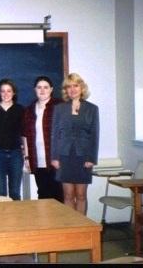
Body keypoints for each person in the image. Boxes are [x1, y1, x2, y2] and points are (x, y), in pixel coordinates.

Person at [51, 73, 99, 214]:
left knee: (81, 196)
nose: (72, 89)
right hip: (64, 156)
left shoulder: (92, 109)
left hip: (83, 157)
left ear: (82, 87)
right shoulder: (59, 108)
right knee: (68, 195)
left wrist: (91, 158)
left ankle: (82, 229)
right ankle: (71, 227)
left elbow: (94, 135)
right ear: (65, 90)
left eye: (75, 85)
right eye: (69, 86)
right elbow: (54, 134)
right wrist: (54, 157)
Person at [22, 76, 64, 202]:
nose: (42, 90)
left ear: (51, 89)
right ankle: (46, 222)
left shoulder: (60, 106)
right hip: (38, 160)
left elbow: (65, 133)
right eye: (39, 87)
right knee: (43, 194)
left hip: (56, 160)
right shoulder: (29, 110)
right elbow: (25, 136)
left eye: (46, 87)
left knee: (58, 194)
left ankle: (59, 222)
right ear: (35, 89)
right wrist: (27, 158)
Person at [0, 79, 24, 200]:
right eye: (3, 91)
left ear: (14, 93)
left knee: (15, 192)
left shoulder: (21, 110)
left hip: (16, 154)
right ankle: (3, 219)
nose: (6, 94)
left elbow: (24, 134)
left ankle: (16, 219)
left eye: (9, 91)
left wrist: (26, 155)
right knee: (0, 192)